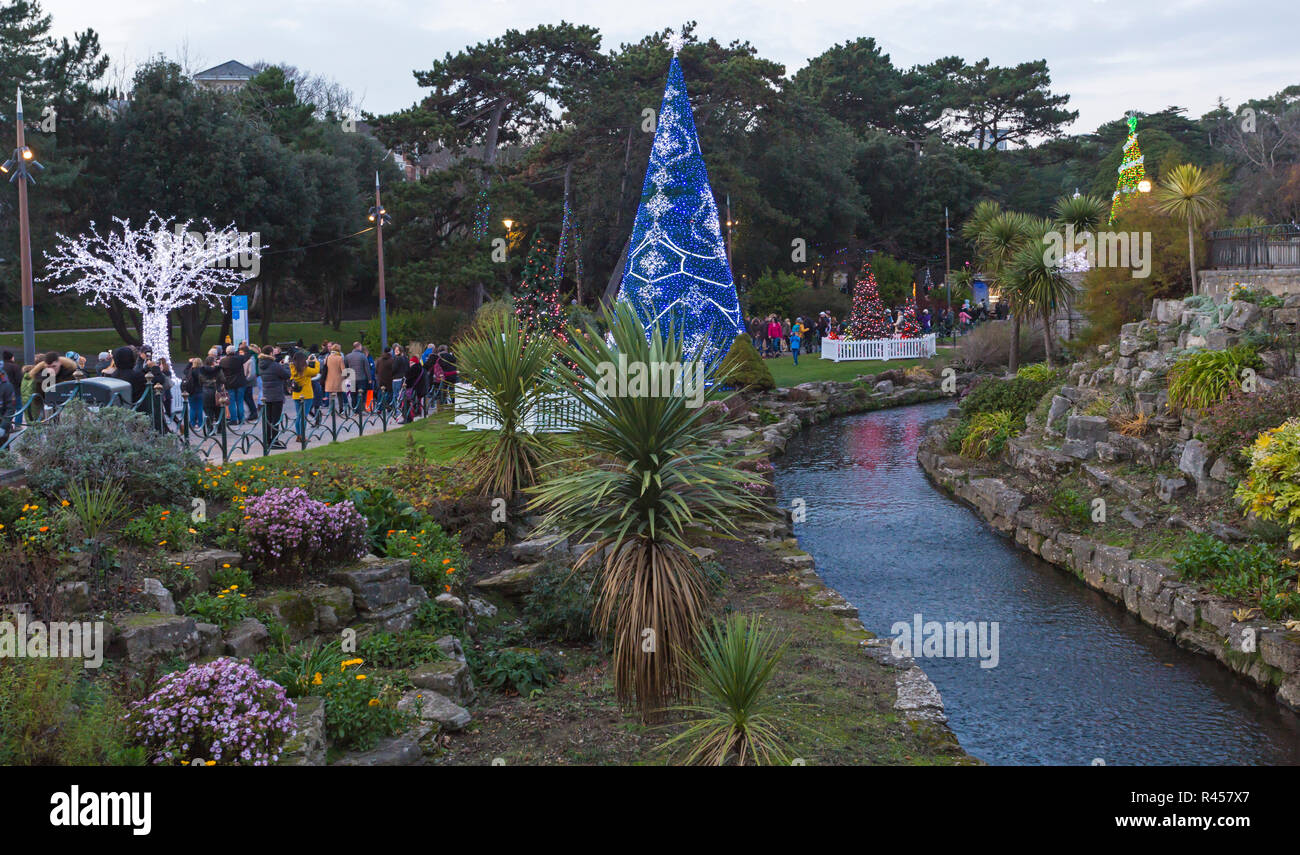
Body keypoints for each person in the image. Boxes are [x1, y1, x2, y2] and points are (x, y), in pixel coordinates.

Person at [258, 351, 291, 447]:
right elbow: (286, 375)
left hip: (266, 395)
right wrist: (285, 365)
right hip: (276, 395)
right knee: (275, 419)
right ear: (271, 353)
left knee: (268, 419)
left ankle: (267, 440)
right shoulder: (275, 365)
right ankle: (275, 441)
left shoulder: (261, 364)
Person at [290, 351, 320, 445]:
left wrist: (307, 360)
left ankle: (299, 435)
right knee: (303, 416)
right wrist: (316, 361)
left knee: (298, 416)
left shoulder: (292, 368)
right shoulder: (305, 369)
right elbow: (315, 371)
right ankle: (302, 436)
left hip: (296, 394)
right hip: (306, 395)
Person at [220, 345, 248, 423]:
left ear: (226, 352)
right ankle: (241, 419)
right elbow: (246, 356)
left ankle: (233, 419)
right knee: (240, 401)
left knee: (231, 402)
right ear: (234, 351)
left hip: (229, 383)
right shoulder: (240, 359)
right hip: (240, 382)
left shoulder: (223, 361)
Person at [344, 341, 369, 413]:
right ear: (358, 347)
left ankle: (354, 409)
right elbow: (366, 368)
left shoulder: (348, 356)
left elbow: (345, 368)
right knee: (360, 394)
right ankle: (360, 409)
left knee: (353, 394)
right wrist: (369, 378)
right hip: (361, 378)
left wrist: (345, 378)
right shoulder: (363, 356)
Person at [324, 343, 345, 412]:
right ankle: (341, 409)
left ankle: (331, 409)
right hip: (339, 379)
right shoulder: (340, 358)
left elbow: (325, 367)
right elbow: (343, 370)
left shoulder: (328, 357)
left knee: (331, 395)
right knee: (340, 395)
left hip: (329, 378)